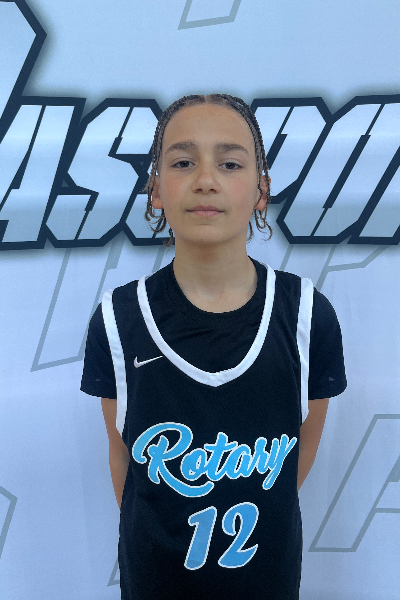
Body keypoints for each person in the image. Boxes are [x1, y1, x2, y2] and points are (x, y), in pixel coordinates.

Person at [81, 94, 346, 600]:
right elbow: (123, 454)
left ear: (262, 190)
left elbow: (300, 449)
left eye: (229, 164)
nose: (206, 179)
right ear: (155, 189)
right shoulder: (118, 319)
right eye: (183, 163)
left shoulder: (307, 314)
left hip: (266, 582)